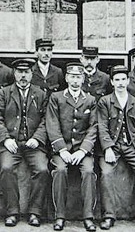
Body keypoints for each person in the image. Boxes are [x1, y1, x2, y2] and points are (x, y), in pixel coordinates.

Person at [97, 65, 135, 231]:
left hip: (132, 146)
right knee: (107, 173)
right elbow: (102, 127)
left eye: (123, 79)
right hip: (112, 147)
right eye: (117, 80)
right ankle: (108, 216)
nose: (121, 83)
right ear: (112, 82)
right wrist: (107, 147)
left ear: (128, 81)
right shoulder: (105, 102)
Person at [0, 58, 49, 227]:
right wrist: (5, 139)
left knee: (42, 169)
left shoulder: (41, 93)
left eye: (26, 72)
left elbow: (47, 120)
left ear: (32, 74)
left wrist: (37, 138)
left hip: (33, 143)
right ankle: (12, 212)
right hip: (12, 143)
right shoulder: (4, 93)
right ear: (14, 74)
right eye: (19, 72)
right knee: (6, 168)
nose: (23, 76)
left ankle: (35, 212)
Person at [46, 62, 97, 232]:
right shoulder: (57, 98)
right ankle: (60, 216)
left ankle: (88, 216)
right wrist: (62, 149)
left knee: (89, 171)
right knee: (60, 171)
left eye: (78, 77)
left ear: (83, 79)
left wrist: (83, 150)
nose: (75, 80)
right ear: (67, 78)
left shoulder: (90, 100)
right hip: (62, 149)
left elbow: (93, 127)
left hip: (82, 150)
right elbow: (52, 125)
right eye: (72, 77)